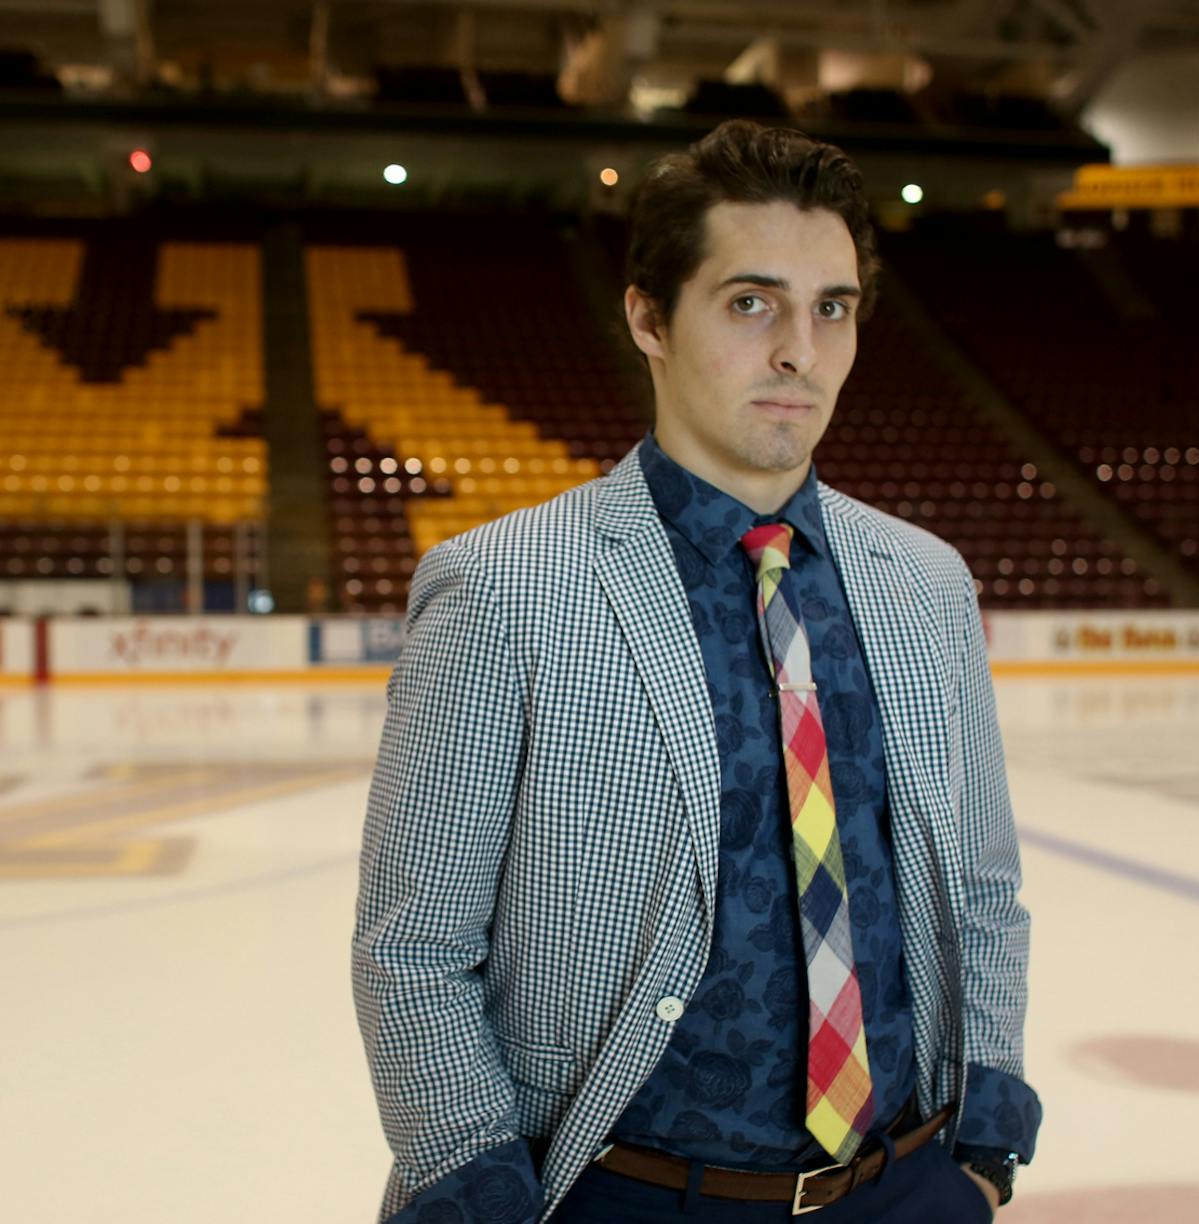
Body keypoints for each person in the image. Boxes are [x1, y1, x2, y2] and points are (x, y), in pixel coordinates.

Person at [352, 119, 1040, 1224]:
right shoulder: (506, 588)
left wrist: (982, 1148)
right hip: (627, 1196)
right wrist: (477, 1192)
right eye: (750, 302)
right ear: (648, 318)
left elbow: (985, 890)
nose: (798, 352)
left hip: (904, 1187)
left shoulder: (925, 584)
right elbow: (414, 943)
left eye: (833, 308)